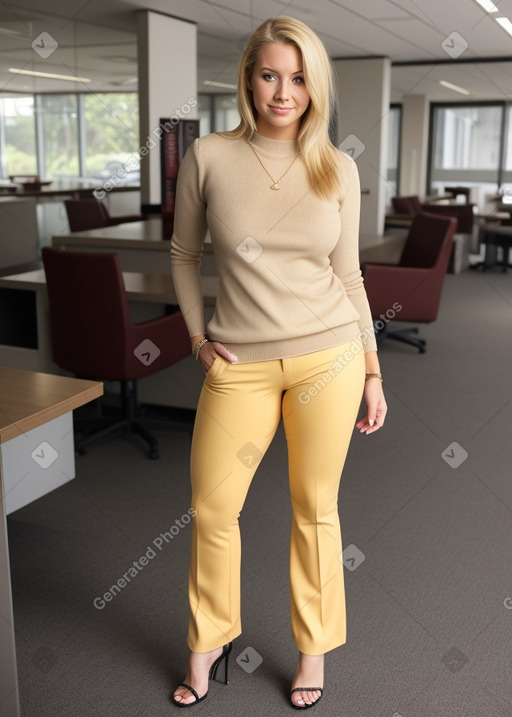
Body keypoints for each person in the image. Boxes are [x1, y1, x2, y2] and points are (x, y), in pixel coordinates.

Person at [170, 15, 387, 710]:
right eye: (269, 75)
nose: (283, 92)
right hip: (238, 362)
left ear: (315, 85)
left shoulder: (339, 166)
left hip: (331, 356)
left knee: (314, 508)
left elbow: (349, 274)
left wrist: (375, 369)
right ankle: (209, 639)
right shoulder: (208, 156)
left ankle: (312, 650)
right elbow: (182, 254)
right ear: (247, 79)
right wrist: (198, 338)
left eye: (298, 78)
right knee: (212, 506)